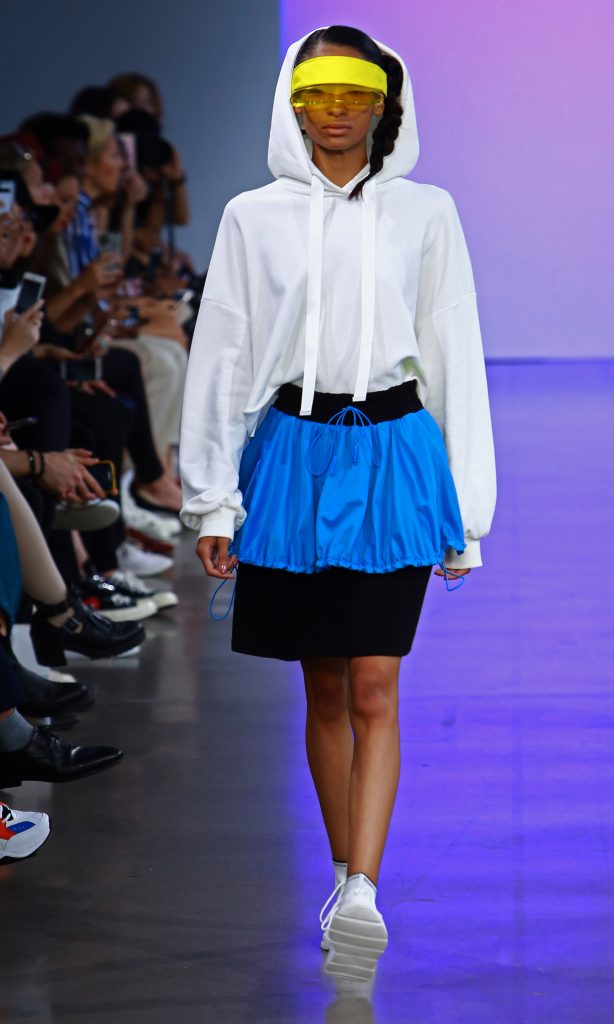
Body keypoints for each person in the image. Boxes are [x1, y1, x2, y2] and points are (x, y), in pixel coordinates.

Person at [179, 26, 497, 971]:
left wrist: (466, 514)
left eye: (354, 91)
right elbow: (223, 352)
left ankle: (363, 887)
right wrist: (212, 499)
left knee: (373, 682)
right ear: (293, 100)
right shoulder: (252, 216)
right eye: (317, 92)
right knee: (322, 683)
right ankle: (341, 872)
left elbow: (453, 351)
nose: (336, 110)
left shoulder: (426, 213)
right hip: (292, 457)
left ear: (384, 102)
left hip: (396, 455)